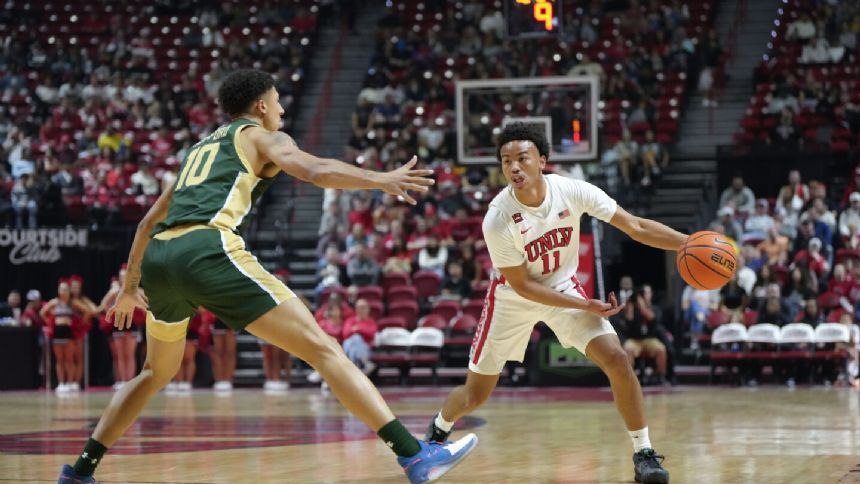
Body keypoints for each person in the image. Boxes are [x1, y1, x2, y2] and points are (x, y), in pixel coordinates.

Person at [57, 69, 477, 484]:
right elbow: (312, 170)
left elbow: (147, 222)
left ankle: (80, 471)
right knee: (324, 349)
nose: (281, 111)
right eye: (277, 103)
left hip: (160, 259)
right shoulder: (260, 135)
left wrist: (130, 289)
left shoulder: (198, 151)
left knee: (153, 373)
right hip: (207, 248)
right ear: (261, 105)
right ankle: (414, 455)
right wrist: (378, 179)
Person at [422, 123, 677, 484]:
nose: (513, 167)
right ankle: (438, 429)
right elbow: (524, 285)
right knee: (475, 394)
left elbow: (635, 226)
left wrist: (687, 243)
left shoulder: (572, 191)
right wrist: (586, 305)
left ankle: (644, 453)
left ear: (542, 161)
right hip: (511, 297)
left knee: (618, 359)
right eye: (506, 160)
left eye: (522, 158)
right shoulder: (497, 217)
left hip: (561, 286)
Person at [41, 279, 90, 394]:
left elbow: (87, 312)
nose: (63, 291)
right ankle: (61, 383)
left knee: (69, 359)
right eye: (61, 289)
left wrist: (79, 324)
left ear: (69, 291)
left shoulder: (73, 303)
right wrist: (50, 322)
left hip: (69, 333)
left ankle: (70, 382)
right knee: (59, 360)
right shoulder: (54, 302)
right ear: (58, 291)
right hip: (57, 333)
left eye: (65, 289)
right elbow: (42, 313)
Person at [620, 286, 668, 385]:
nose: (642, 297)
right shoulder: (632, 307)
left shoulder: (654, 308)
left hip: (649, 339)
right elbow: (628, 321)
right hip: (634, 339)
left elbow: (652, 318)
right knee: (627, 349)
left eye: (645, 294)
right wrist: (630, 305)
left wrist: (642, 306)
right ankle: (630, 378)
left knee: (661, 349)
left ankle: (660, 376)